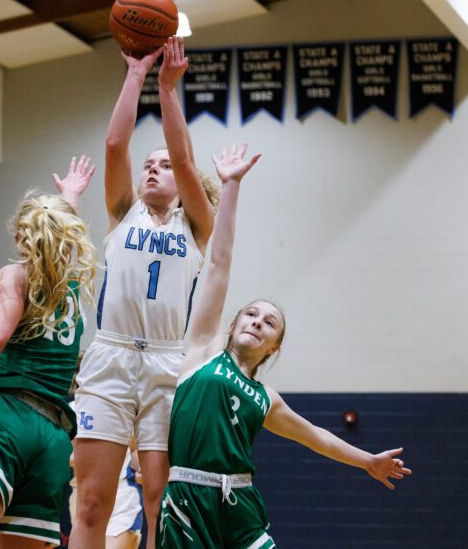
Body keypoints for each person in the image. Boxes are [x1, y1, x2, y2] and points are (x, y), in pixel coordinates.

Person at [157, 144, 412, 548]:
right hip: (190, 495)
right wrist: (231, 186)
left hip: (240, 499)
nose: (257, 322)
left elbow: (315, 436)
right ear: (232, 324)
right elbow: (219, 262)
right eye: (251, 315)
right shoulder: (204, 350)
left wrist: (368, 462)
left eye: (268, 322)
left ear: (273, 347)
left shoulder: (265, 398)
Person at [71, 36, 218, 549]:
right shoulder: (122, 211)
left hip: (166, 364)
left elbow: (183, 157)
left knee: (159, 498)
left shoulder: (198, 225)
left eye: (163, 166)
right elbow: (115, 146)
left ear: (182, 181)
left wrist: (169, 91)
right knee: (93, 500)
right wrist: (136, 73)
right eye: (147, 165)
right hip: (110, 356)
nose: (153, 168)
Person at [0, 156, 98, 548]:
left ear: (20, 238)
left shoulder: (16, 275)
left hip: (4, 417)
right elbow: (58, 235)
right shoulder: (73, 290)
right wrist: (70, 196)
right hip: (52, 436)